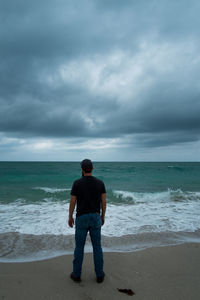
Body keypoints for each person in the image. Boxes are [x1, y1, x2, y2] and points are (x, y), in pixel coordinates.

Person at [68, 159, 106, 283]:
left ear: (82, 169)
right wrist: (103, 216)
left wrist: (70, 216)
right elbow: (103, 202)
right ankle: (99, 275)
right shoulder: (100, 183)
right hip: (95, 217)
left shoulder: (77, 183)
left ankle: (76, 275)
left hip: (81, 218)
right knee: (97, 247)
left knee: (79, 247)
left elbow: (73, 201)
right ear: (92, 168)